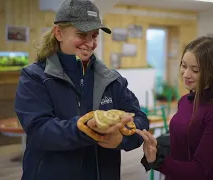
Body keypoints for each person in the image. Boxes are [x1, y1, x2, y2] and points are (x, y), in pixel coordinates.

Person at [14, 0, 149, 180]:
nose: (89, 43)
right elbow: (39, 130)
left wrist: (121, 139)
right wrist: (86, 129)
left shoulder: (112, 80)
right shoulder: (35, 77)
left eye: (94, 36)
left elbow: (139, 119)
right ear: (59, 33)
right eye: (81, 34)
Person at [137, 36, 213, 180]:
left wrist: (157, 161)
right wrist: (158, 146)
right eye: (184, 66)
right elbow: (183, 141)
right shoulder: (184, 101)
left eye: (195, 70)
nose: (186, 74)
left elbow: (198, 171)